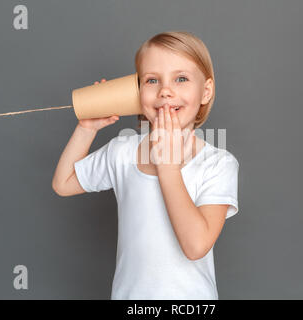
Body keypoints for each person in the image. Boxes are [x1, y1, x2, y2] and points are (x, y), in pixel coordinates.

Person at [52, 31, 239, 300]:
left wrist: (168, 167)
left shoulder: (218, 164)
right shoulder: (123, 151)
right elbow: (63, 183)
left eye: (181, 78)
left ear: (205, 92)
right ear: (137, 92)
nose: (165, 90)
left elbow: (196, 245)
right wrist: (86, 128)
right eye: (152, 80)